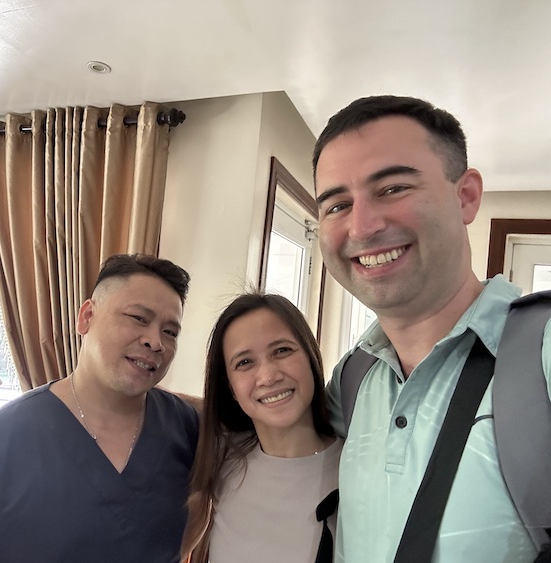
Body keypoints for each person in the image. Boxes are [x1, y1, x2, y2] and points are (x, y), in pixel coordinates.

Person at [314, 95, 551, 562]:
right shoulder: (352, 380)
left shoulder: (541, 354)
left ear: (466, 196)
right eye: (337, 205)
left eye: (393, 188)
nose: (361, 227)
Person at [0, 254, 200, 563]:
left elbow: (205, 506)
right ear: (86, 316)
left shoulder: (187, 427)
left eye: (170, 332)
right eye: (138, 318)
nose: (156, 342)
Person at [181, 293, 341, 563]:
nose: (268, 376)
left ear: (311, 354)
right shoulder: (223, 457)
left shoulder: (358, 469)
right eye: (244, 362)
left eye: (282, 350)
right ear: (230, 387)